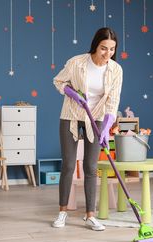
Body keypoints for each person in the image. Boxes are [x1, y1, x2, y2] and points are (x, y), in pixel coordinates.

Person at [52, 27, 123, 231]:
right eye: (103, 48)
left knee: (91, 168)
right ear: (95, 45)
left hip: (97, 118)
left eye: (111, 49)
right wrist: (72, 94)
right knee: (68, 166)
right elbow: (58, 81)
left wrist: (107, 128)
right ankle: (62, 212)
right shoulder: (77, 62)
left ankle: (90, 215)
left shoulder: (116, 70)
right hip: (71, 116)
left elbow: (113, 101)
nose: (107, 54)